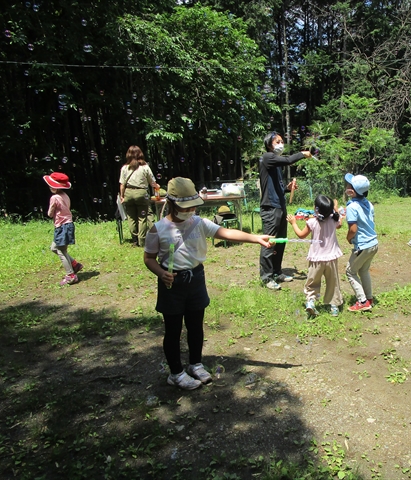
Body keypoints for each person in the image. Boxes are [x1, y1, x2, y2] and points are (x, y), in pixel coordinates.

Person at [144, 177, 272, 390]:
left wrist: (255, 237)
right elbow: (148, 258)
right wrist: (160, 272)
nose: (191, 210)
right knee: (173, 329)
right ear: (172, 203)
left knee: (196, 326)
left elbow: (226, 233)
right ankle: (175, 373)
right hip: (172, 283)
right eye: (186, 207)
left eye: (193, 206)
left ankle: (195, 363)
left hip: (196, 279)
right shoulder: (158, 229)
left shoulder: (199, 223)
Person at [258, 132, 312, 290]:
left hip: (280, 207)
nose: (281, 144)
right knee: (269, 243)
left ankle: (276, 272)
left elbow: (276, 188)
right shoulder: (267, 157)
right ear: (269, 144)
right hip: (270, 209)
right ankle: (267, 277)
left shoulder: (275, 165)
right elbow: (288, 160)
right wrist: (302, 154)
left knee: (280, 242)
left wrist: (287, 189)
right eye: (278, 141)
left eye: (282, 141)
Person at [287, 195, 344, 317]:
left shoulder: (312, 222)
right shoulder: (334, 219)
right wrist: (337, 209)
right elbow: (339, 224)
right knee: (333, 282)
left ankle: (311, 302)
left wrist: (293, 223)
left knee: (312, 282)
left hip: (316, 259)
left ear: (316, 209)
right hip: (331, 259)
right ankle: (334, 306)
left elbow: (301, 235)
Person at [344, 173, 378, 312]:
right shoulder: (368, 203)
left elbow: (353, 228)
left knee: (350, 271)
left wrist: (348, 238)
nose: (346, 186)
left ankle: (363, 301)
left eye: (348, 185)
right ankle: (369, 298)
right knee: (363, 270)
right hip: (373, 243)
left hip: (363, 246)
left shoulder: (352, 207)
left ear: (352, 191)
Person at [44, 172, 83, 286]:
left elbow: (50, 214)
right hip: (68, 225)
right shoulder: (65, 196)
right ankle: (75, 264)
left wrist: (50, 212)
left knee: (61, 251)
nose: (50, 187)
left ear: (55, 187)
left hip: (62, 226)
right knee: (54, 248)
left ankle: (70, 275)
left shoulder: (54, 197)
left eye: (51, 185)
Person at [119, 145, 160, 247]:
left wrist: (122, 196)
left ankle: (134, 240)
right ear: (140, 154)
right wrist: (157, 186)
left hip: (128, 192)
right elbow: (152, 182)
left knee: (131, 217)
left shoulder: (124, 168)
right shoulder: (145, 167)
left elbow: (122, 184)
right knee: (142, 217)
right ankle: (142, 241)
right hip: (141, 193)